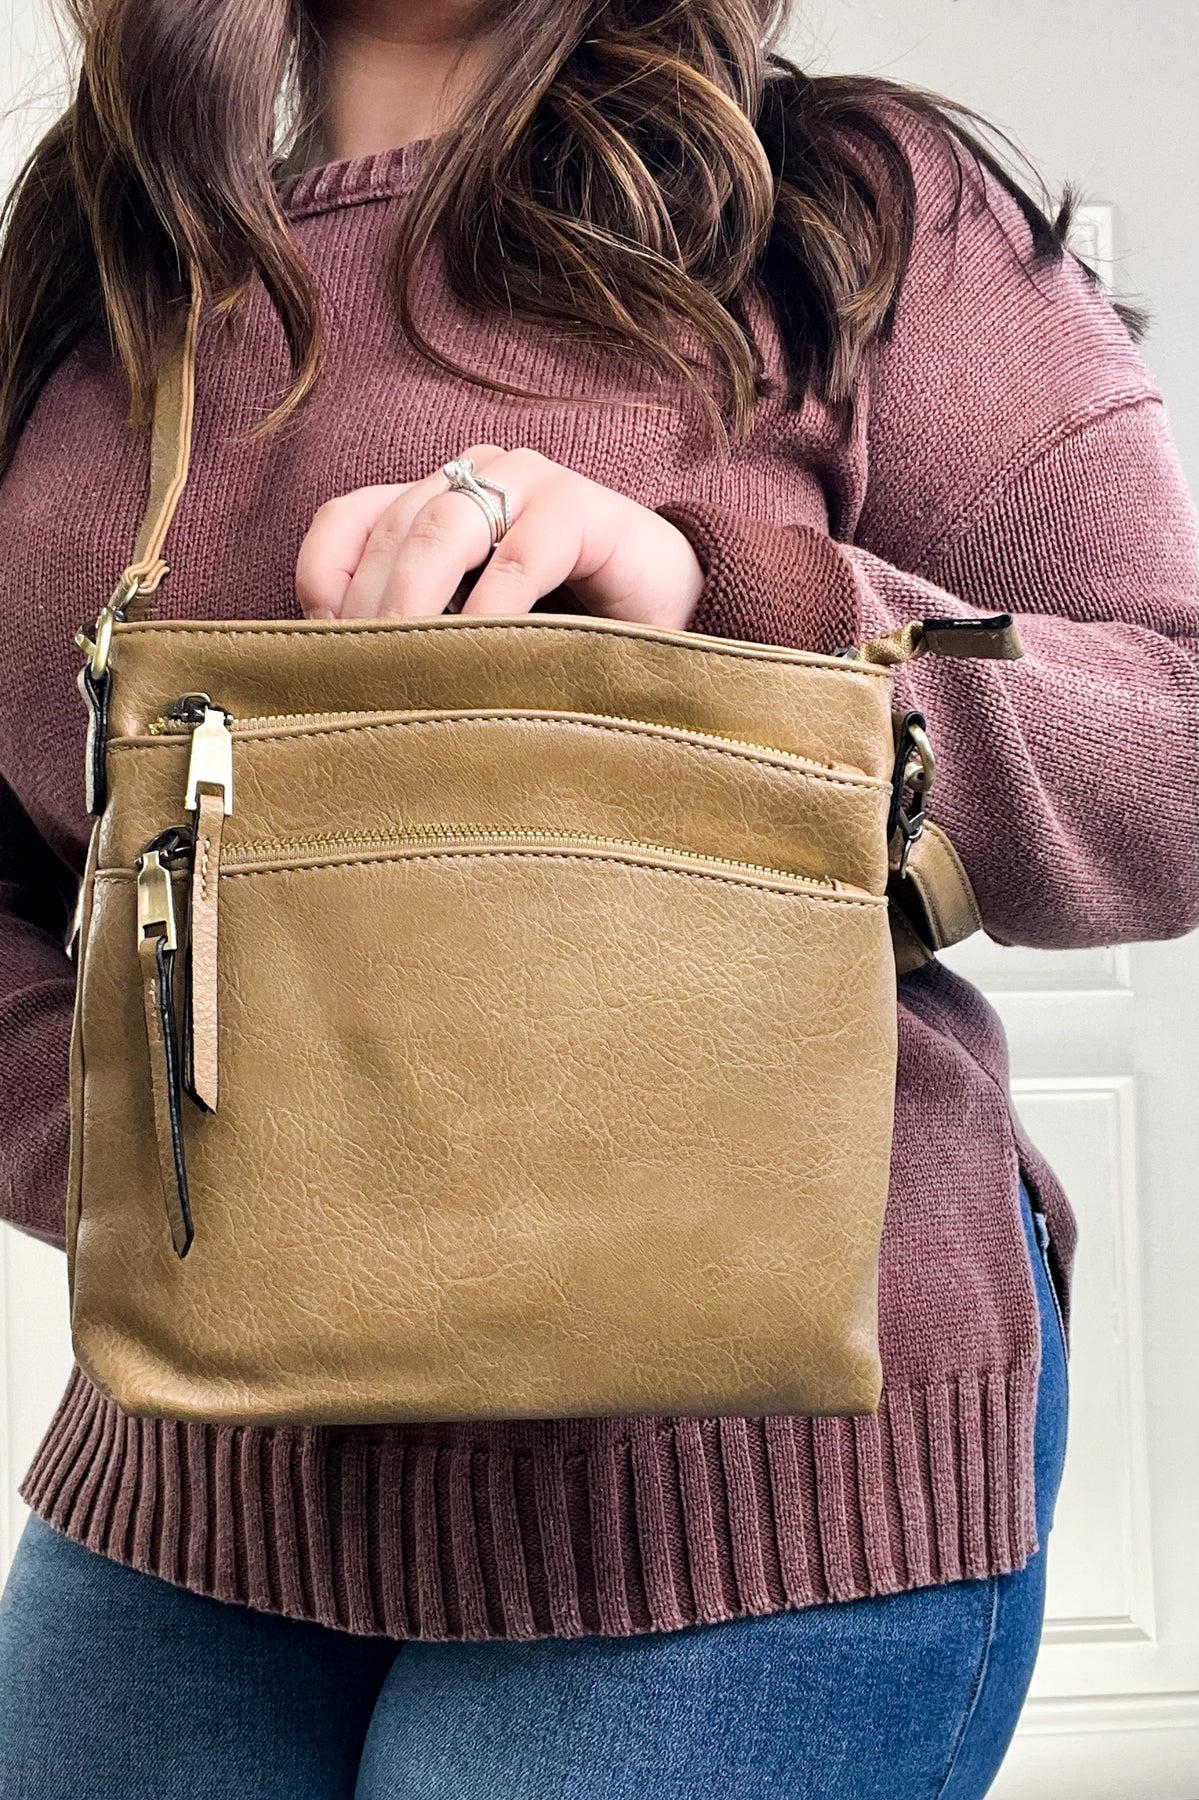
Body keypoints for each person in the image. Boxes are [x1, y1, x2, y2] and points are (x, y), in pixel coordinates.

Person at [0, 1, 1194, 1795]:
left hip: (753, 1491)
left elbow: (1177, 743)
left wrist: (729, 611)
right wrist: (140, 1158)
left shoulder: (848, 206)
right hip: (199, 1472)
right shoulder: (94, 255)